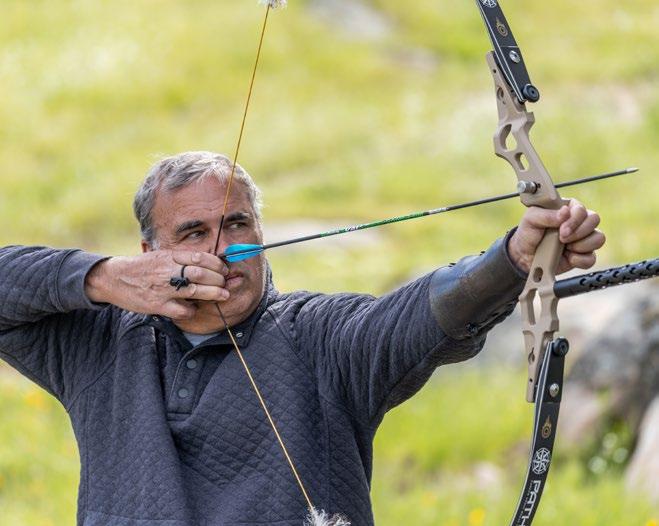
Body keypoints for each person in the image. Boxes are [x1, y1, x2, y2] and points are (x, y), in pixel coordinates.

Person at [0, 151, 604, 526]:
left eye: (237, 224)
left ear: (261, 233)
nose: (222, 249)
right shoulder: (100, 343)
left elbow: (412, 321)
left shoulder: (319, 337)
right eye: (193, 233)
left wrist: (513, 259)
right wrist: (105, 279)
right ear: (150, 253)